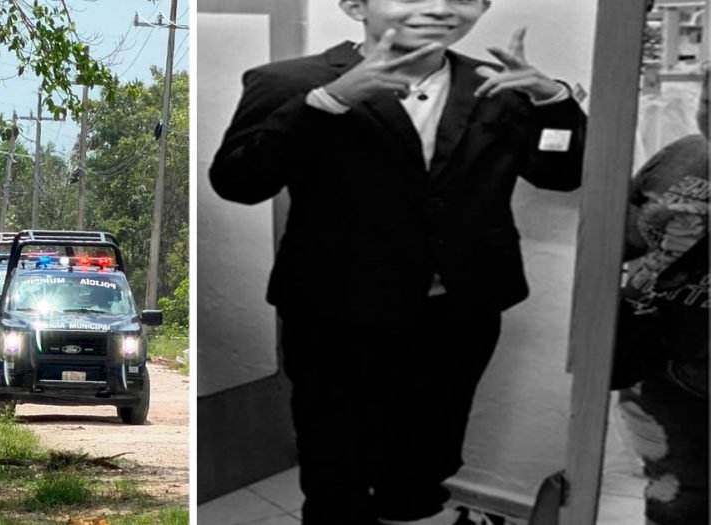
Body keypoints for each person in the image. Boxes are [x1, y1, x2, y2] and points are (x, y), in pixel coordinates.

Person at [208, 1, 587, 524]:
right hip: (334, 307)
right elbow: (239, 183)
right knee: (333, 447)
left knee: (432, 438)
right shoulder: (289, 81)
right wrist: (327, 102)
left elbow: (561, 175)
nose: (439, 6)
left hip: (461, 304)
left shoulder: (499, 85)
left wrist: (553, 99)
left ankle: (411, 509)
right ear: (354, 5)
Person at [615, 67, 708, 525]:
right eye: (710, 103)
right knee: (675, 499)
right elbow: (619, 241)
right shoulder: (684, 154)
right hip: (663, 369)